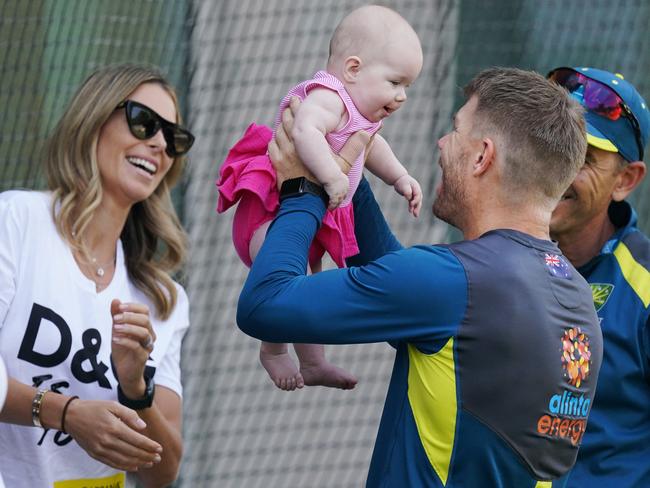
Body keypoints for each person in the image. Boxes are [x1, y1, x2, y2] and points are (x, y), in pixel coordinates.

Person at [237, 67, 604, 486]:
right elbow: (398, 280)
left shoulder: (453, 283)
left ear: (483, 157)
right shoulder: (578, 298)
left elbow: (264, 305)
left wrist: (302, 190)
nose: (442, 142)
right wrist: (342, 166)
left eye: (455, 130)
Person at [0, 63, 194, 487]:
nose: (160, 143)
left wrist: (134, 385)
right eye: (144, 123)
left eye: (173, 137)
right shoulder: (16, 222)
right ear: (94, 120)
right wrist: (66, 414)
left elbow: (161, 472)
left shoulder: (163, 298)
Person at [217, 5, 423, 391]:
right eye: (395, 82)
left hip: (309, 215)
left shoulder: (362, 115)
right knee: (286, 279)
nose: (402, 96)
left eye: (407, 87)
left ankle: (313, 362)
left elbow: (371, 148)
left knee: (309, 284)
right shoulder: (330, 97)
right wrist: (330, 177)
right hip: (268, 211)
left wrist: (400, 177)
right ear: (353, 69)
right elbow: (305, 131)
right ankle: (274, 352)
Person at [546, 67, 650, 487]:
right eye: (550, 150)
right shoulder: (495, 259)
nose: (556, 171)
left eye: (582, 157)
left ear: (625, 180)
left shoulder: (643, 285)